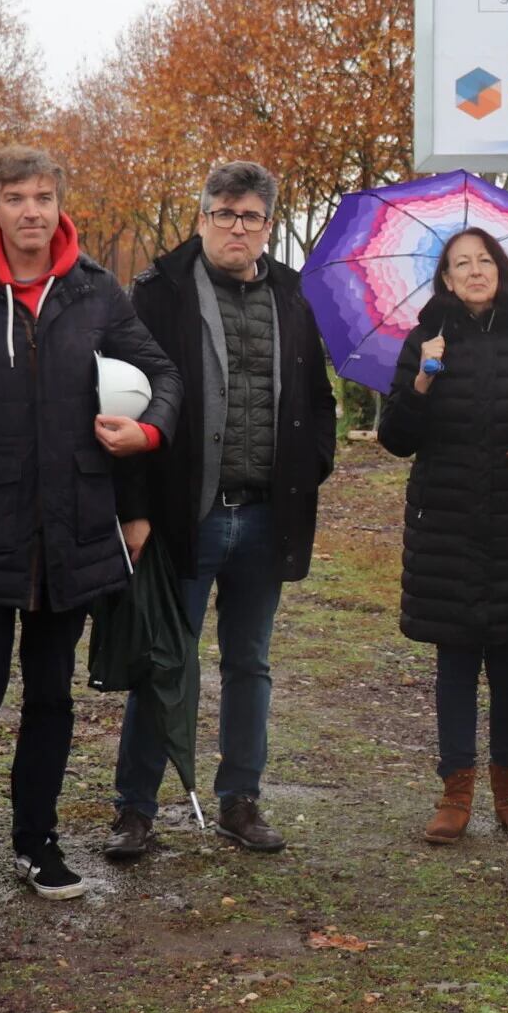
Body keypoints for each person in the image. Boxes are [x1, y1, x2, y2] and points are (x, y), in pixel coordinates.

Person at [0, 148, 181, 921]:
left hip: (74, 528)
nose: (31, 210)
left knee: (51, 695)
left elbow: (164, 376)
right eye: (16, 197)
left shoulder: (95, 291)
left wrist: (146, 433)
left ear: (59, 204)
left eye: (43, 197)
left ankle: (37, 841)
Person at [104, 161, 337, 861]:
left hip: (267, 514)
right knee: (163, 661)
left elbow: (317, 401)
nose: (238, 227)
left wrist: (309, 468)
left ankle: (241, 799)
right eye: (224, 213)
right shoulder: (157, 292)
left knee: (250, 663)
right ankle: (134, 809)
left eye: (251, 216)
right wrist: (136, 508)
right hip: (184, 515)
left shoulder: (295, 297)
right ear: (201, 215)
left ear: (268, 225)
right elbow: (131, 402)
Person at [378, 228, 508, 844]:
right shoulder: (426, 341)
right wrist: (423, 380)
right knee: (456, 660)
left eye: (483, 260)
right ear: (444, 279)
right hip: (445, 526)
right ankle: (455, 793)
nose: (474, 270)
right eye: (460, 263)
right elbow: (395, 437)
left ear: (501, 269)